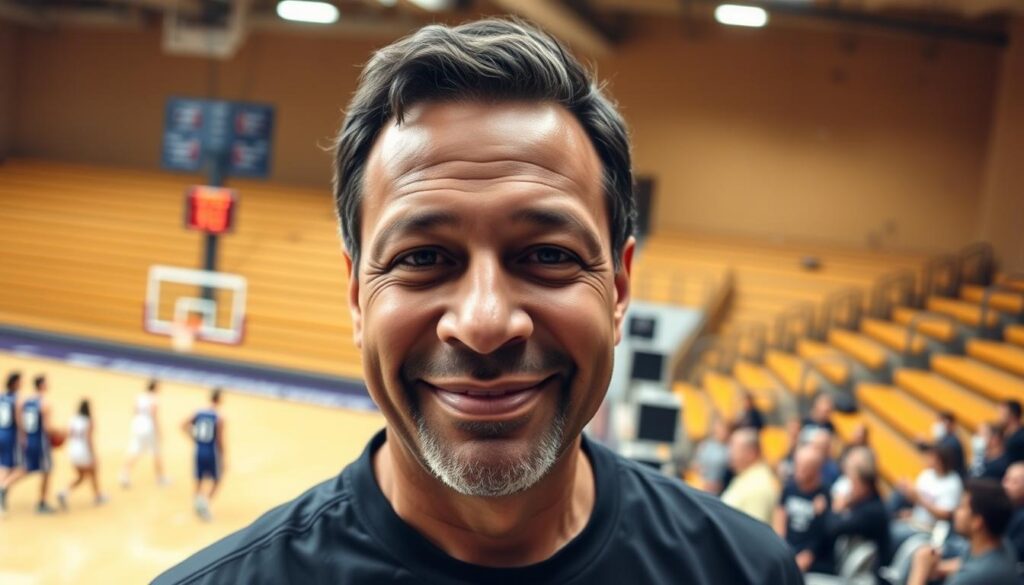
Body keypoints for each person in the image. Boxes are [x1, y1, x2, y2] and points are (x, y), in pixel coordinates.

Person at [152, 18, 801, 584]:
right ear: (356, 296)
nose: (485, 323)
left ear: (619, 289)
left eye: (548, 255)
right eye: (421, 258)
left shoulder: (744, 570)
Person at [906, 479, 1018, 585]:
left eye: (961, 507)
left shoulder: (972, 577)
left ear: (977, 522)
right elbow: (967, 563)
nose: (955, 511)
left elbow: (972, 573)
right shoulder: (1002, 544)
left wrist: (920, 569)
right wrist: (939, 568)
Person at [824, 446, 890, 581]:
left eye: (852, 482)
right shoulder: (864, 502)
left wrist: (836, 508)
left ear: (862, 484)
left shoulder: (872, 511)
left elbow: (832, 528)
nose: (849, 488)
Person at [0, 374, 58, 514]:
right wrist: (63, 432)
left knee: (24, 467)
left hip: (24, 439)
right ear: (42, 385)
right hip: (39, 442)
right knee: (46, 470)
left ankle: (4, 486)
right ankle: (41, 503)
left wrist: (24, 437)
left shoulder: (25, 401)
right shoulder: (44, 403)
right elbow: (47, 428)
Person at [773, 444, 833, 573]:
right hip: (786, 549)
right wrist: (779, 548)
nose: (798, 470)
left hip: (812, 560)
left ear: (816, 470)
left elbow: (821, 537)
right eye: (797, 465)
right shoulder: (789, 488)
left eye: (805, 467)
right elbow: (780, 516)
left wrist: (807, 556)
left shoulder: (824, 496)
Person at [893, 443, 963, 533]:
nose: (929, 459)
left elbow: (945, 515)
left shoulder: (953, 482)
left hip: (931, 530)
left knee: (892, 532)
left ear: (941, 460)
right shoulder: (927, 474)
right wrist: (907, 491)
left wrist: (919, 498)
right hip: (915, 521)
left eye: (933, 457)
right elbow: (915, 500)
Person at [723, 427, 781, 524]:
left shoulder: (759, 485)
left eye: (734, 449)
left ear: (751, 453)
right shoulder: (745, 476)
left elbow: (753, 529)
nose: (729, 453)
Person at [57, 398, 108, 509]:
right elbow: (89, 439)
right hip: (83, 451)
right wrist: (94, 454)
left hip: (72, 450)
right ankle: (98, 496)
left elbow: (66, 434)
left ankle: (64, 492)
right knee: (93, 473)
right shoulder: (89, 421)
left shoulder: (73, 419)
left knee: (81, 476)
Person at [184, 388, 224, 522]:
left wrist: (194, 438)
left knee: (199, 478)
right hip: (212, 451)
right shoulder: (219, 417)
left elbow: (183, 425)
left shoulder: (198, 412)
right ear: (219, 399)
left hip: (199, 449)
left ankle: (197, 502)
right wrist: (223, 456)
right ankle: (205, 504)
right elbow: (220, 439)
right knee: (217, 479)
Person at [120, 378, 169, 488]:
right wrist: (159, 431)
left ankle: (124, 474)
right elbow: (153, 415)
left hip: (137, 425)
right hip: (149, 427)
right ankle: (161, 477)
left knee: (134, 450)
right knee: (156, 452)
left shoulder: (140, 396)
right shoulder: (154, 399)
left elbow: (135, 411)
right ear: (155, 387)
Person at [0, 371, 22, 511]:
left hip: (1, 432)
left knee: (4, 465)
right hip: (10, 436)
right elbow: (19, 422)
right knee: (15, 467)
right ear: (15, 383)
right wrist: (23, 438)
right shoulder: (17, 400)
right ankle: (3, 488)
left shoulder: (2, 397)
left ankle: (3, 489)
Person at [693, 416, 732, 494]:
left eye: (722, 429)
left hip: (720, 487)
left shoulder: (731, 448)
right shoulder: (706, 445)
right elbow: (696, 465)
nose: (719, 431)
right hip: (701, 482)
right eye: (717, 429)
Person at [921, 411, 965, 477]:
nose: (938, 425)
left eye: (941, 422)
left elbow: (942, 453)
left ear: (950, 424)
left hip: (953, 477)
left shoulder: (952, 441)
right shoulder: (944, 439)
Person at [1002, 462, 1023, 573]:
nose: (1006, 485)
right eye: (1006, 479)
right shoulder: (1005, 507)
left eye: (1014, 482)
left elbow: (1014, 554)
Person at [1001, 400, 1024, 465]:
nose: (1000, 417)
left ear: (1012, 415)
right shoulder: (1001, 433)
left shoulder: (1021, 438)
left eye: (1003, 414)